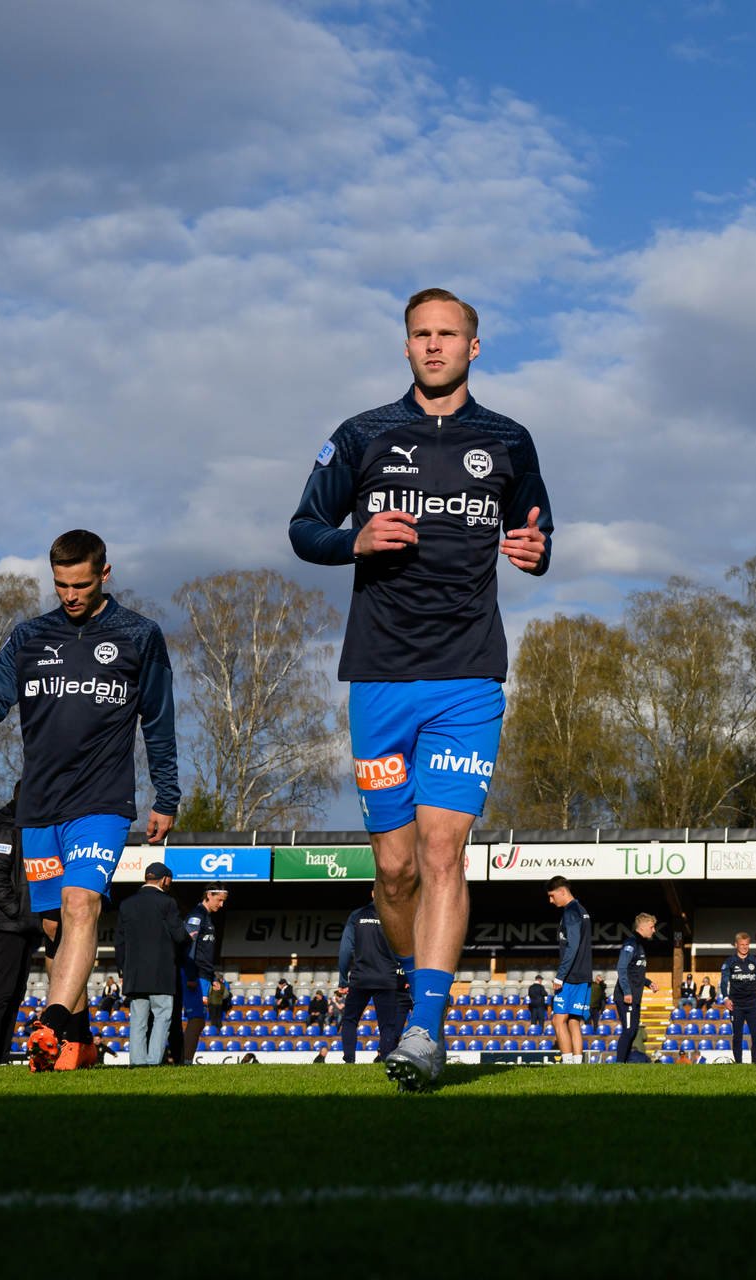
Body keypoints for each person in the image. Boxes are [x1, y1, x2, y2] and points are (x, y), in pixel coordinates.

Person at [289, 288, 553, 1092]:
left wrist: (535, 551)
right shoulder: (362, 435)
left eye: (449, 334)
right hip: (378, 679)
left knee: (444, 855)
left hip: (469, 676)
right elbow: (304, 529)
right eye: (420, 335)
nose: (434, 346)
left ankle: (426, 1032)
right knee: (396, 872)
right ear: (405, 347)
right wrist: (353, 539)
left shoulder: (508, 441)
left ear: (475, 346)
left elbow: (539, 533)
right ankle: (415, 991)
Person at [0, 529, 179, 1072]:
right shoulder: (30, 637)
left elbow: (159, 721)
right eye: (62, 585)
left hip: (103, 801)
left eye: (82, 584)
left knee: (80, 904)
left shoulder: (140, 635)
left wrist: (167, 794)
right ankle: (82, 1039)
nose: (71, 595)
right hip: (39, 806)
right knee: (53, 926)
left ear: (105, 574)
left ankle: (50, 1028)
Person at [0, 790, 55, 1065]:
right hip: (9, 925)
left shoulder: (26, 830)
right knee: (3, 991)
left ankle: (0, 1057)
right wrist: (16, 912)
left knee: (15, 992)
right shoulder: (5, 831)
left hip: (23, 925)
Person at [114, 862, 183, 1067]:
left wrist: (122, 969)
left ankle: (137, 1061)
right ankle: (153, 1061)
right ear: (165, 879)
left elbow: (119, 941)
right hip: (161, 972)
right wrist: (190, 935)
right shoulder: (168, 903)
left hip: (134, 973)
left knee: (138, 1020)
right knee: (162, 1017)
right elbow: (179, 936)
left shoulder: (126, 904)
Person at [337, 895, 408, 1063]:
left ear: (372, 893)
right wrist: (407, 975)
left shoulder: (357, 915)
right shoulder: (397, 917)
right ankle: (385, 1061)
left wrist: (343, 980)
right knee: (387, 1025)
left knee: (350, 1020)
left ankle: (349, 1060)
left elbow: (345, 950)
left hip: (360, 977)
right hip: (386, 978)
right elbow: (406, 950)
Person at [179, 885, 229, 1061]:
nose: (221, 905)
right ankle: (184, 1060)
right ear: (209, 895)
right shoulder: (197, 916)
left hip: (204, 976)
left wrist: (212, 975)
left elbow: (204, 951)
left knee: (199, 1019)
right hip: (195, 975)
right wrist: (192, 975)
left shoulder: (207, 917)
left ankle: (183, 1059)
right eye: (219, 900)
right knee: (197, 1018)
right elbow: (189, 948)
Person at [547, 877, 592, 1063]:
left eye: (552, 896)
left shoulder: (571, 912)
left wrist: (560, 976)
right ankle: (576, 1064)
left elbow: (572, 946)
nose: (550, 901)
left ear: (562, 891)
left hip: (571, 976)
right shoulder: (582, 910)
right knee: (574, 1021)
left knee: (558, 1020)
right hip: (583, 974)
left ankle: (566, 1064)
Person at [614, 913, 658, 1064]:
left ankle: (624, 1064)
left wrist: (648, 982)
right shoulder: (631, 943)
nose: (654, 930)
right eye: (652, 927)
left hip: (635, 997)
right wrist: (626, 991)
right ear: (643, 926)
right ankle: (619, 1065)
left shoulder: (640, 945)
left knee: (632, 1032)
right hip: (627, 996)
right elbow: (621, 968)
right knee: (628, 1031)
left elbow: (634, 971)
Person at [721, 933, 756, 1064]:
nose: (744, 947)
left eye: (747, 944)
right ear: (736, 945)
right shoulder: (729, 962)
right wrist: (725, 998)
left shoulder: (755, 962)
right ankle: (738, 1064)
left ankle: (755, 1064)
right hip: (736, 1004)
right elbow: (724, 982)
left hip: (753, 1003)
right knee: (737, 1036)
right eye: (742, 944)